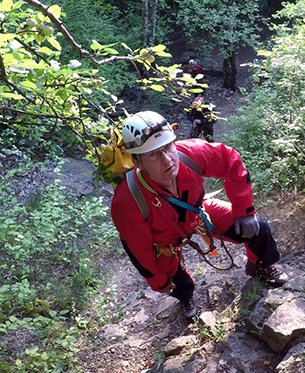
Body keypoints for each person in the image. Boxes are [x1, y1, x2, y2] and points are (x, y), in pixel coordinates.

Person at [110, 111, 288, 319]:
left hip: (197, 212)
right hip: (164, 240)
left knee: (257, 226)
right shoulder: (128, 200)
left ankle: (259, 265)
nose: (167, 159)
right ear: (137, 162)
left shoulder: (189, 154)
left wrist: (244, 211)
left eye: (168, 147)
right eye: (154, 154)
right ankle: (185, 296)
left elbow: (231, 161)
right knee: (172, 278)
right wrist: (160, 281)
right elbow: (138, 249)